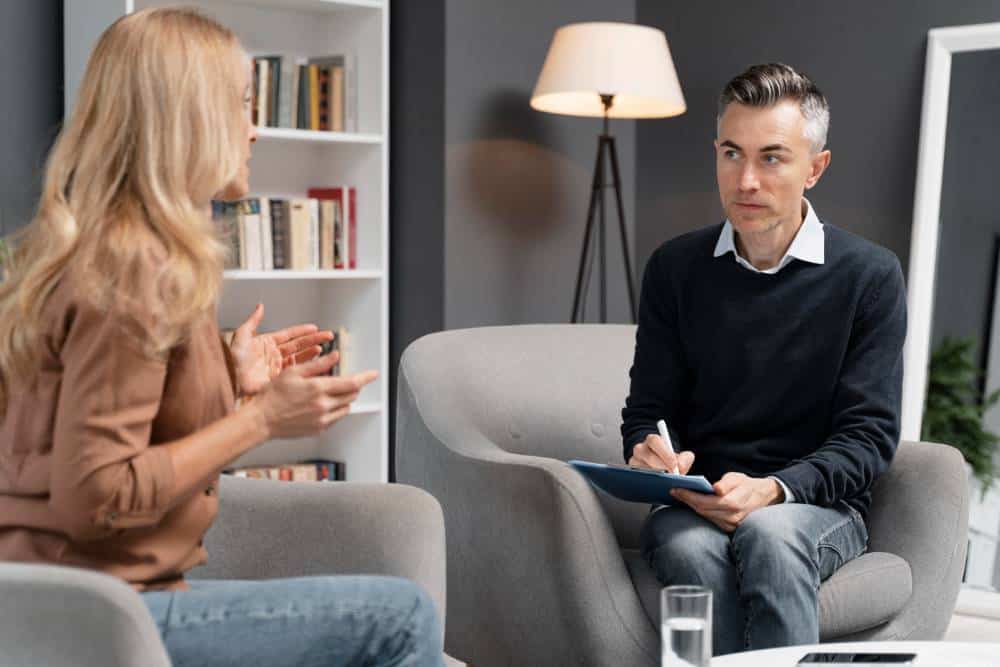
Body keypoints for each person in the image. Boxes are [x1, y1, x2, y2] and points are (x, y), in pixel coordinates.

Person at [0, 8, 443, 667]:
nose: (254, 128)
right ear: (188, 120)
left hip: (71, 601)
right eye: (240, 103)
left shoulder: (100, 250)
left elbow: (92, 431)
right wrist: (262, 418)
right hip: (103, 614)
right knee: (403, 617)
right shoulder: (136, 270)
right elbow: (93, 493)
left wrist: (231, 383)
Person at [621, 63, 906, 654]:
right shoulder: (674, 269)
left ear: (815, 168)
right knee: (689, 550)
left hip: (812, 506)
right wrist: (650, 449)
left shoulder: (869, 276)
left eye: (772, 157)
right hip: (694, 505)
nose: (746, 179)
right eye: (732, 154)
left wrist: (772, 490)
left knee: (770, 540)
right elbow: (646, 411)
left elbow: (868, 439)